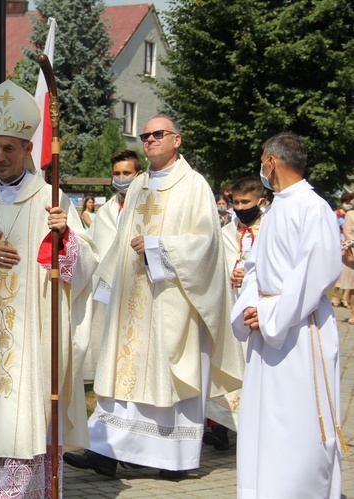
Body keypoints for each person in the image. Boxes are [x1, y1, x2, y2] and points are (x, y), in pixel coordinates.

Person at [0, 80, 97, 497]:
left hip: (32, 336)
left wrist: (67, 239)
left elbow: (83, 269)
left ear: (28, 149)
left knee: (26, 423)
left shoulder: (50, 198)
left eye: (9, 148)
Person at [63, 115, 244, 479]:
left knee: (168, 377)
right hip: (132, 299)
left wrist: (158, 246)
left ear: (177, 140)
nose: (149, 139)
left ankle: (172, 461)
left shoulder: (194, 185)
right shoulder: (140, 185)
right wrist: (106, 287)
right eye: (145, 135)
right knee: (121, 372)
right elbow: (119, 241)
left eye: (157, 134)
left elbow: (206, 245)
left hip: (172, 299)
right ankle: (105, 452)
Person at [231, 132, 343, 498]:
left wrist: (269, 313)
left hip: (299, 330)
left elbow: (317, 272)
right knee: (265, 420)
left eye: (262, 159)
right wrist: (250, 304)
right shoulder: (277, 205)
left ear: (272, 162)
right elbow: (256, 266)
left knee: (298, 422)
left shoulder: (314, 207)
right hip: (267, 330)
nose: (261, 166)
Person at [203, 176, 267, 450]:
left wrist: (253, 274)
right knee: (225, 364)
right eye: (236, 202)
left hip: (260, 311)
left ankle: (258, 426)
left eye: (246, 202)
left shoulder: (271, 230)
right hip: (229, 307)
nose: (241, 207)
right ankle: (219, 427)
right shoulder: (226, 232)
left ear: (261, 202)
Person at [82, 149, 142, 381]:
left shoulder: (150, 207)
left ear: (138, 174)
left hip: (138, 286)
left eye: (126, 172)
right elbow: (95, 249)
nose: (120, 178)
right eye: (116, 173)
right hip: (108, 288)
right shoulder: (106, 210)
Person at [331, 192, 354, 308]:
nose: (349, 204)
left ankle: (345, 298)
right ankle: (335, 296)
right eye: (347, 202)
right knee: (339, 273)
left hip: (349, 245)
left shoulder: (350, 214)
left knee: (349, 275)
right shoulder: (337, 214)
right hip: (340, 243)